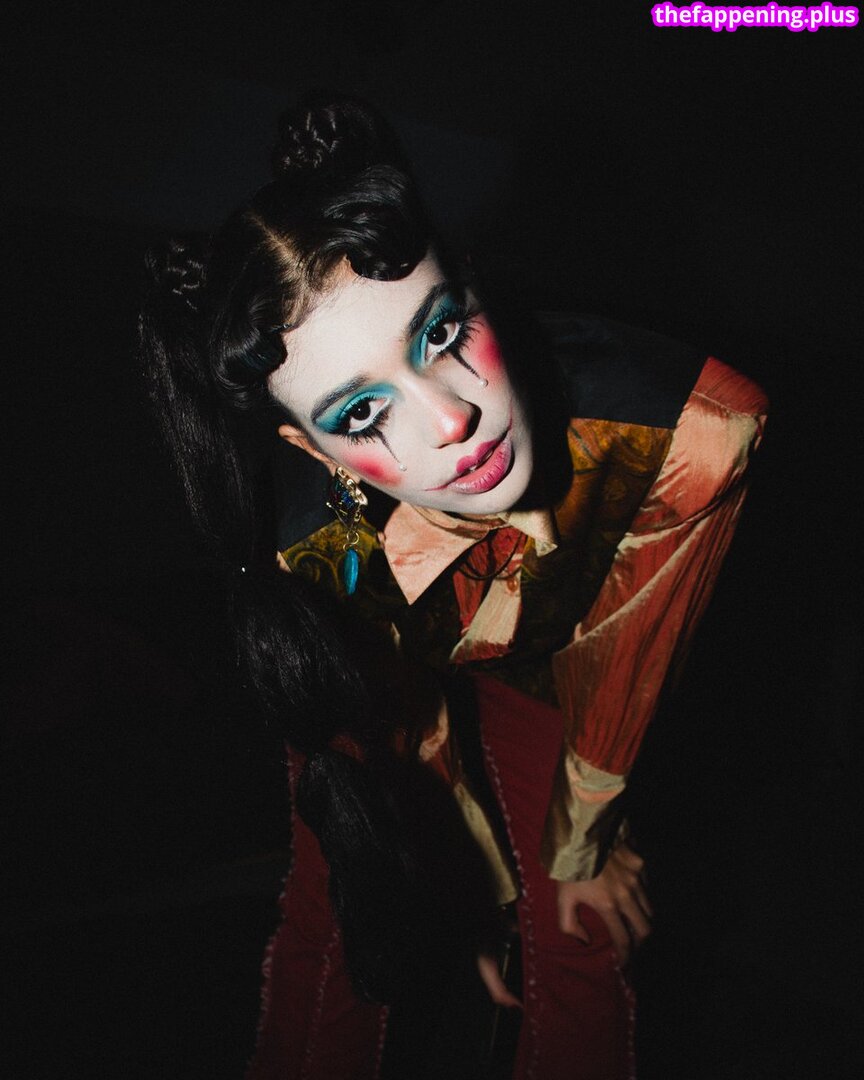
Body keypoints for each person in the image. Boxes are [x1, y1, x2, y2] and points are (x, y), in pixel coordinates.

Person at [139, 96, 767, 1080]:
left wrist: (578, 846)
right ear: (314, 450)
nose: (450, 422)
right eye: (362, 411)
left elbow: (624, 655)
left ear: (472, 285)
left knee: (584, 915)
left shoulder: (691, 436)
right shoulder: (319, 558)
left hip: (549, 655)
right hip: (369, 669)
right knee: (344, 898)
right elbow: (404, 738)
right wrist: (460, 890)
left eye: (439, 334)